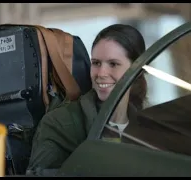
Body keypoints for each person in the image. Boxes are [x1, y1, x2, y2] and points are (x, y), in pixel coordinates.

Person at [26, 24, 147, 171]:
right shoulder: (60, 123)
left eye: (113, 64)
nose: (101, 73)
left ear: (137, 71)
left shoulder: (150, 129)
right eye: (96, 63)